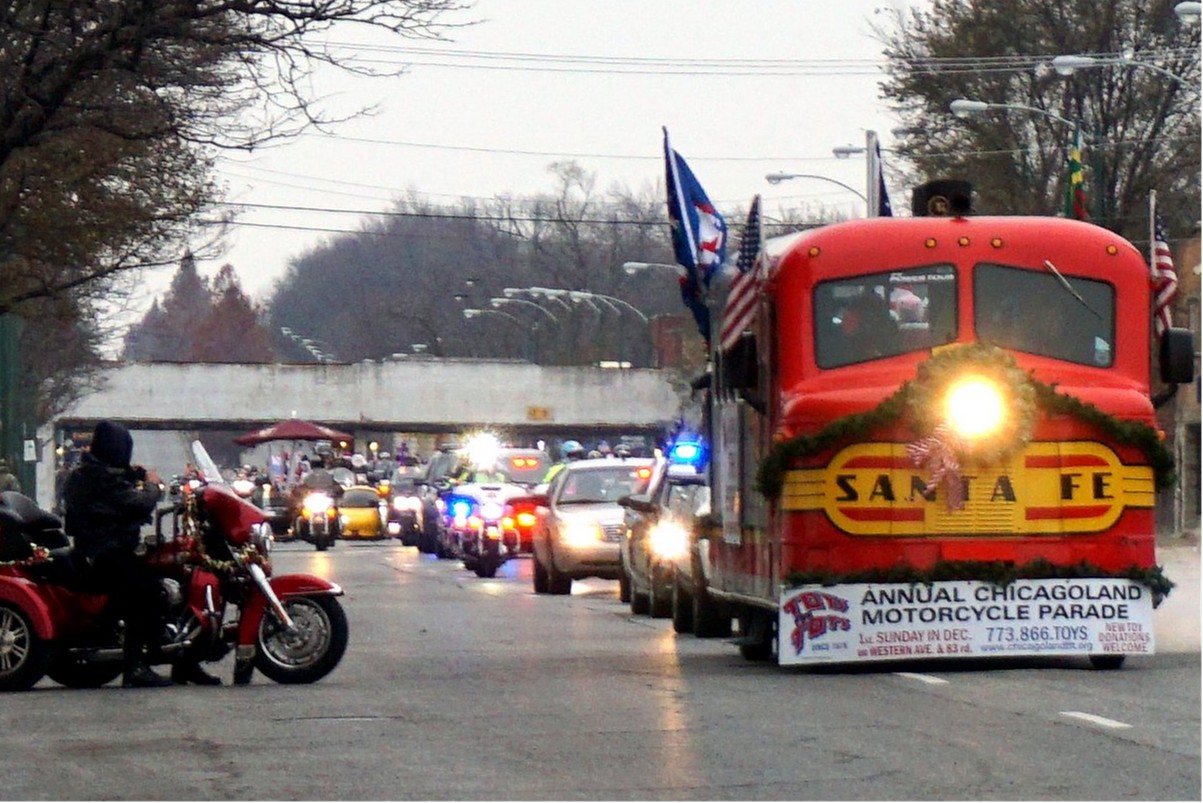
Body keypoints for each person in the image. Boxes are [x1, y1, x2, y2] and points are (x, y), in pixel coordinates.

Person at [62, 421, 218, 687]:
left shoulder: (101, 471)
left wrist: (136, 475)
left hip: (115, 548)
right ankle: (135, 667)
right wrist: (153, 487)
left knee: (179, 580)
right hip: (101, 553)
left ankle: (185, 661)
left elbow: (122, 485)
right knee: (146, 593)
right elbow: (135, 501)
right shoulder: (90, 477)